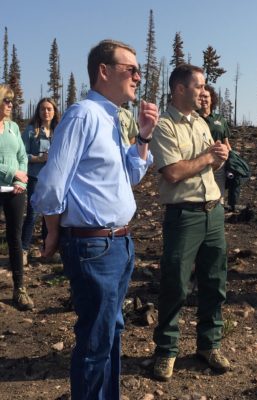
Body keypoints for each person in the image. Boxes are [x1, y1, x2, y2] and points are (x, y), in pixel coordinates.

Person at [31, 39, 158, 399]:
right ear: (104, 71)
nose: (137, 76)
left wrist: (144, 136)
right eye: (130, 69)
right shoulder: (83, 114)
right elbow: (52, 184)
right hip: (93, 245)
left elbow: (129, 176)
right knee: (95, 340)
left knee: (110, 333)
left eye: (139, 70)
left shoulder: (112, 117)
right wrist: (53, 231)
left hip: (118, 244)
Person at [150, 64, 230, 381]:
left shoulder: (201, 123)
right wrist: (208, 159)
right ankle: (166, 351)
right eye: (198, 86)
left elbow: (206, 162)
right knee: (175, 284)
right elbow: (172, 172)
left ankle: (209, 345)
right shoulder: (164, 126)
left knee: (215, 282)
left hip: (213, 212)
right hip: (184, 216)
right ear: (180, 88)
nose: (203, 92)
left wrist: (219, 155)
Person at [0, 84, 34, 310]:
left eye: (12, 101)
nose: (11, 105)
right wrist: (13, 173)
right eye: (6, 100)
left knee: (15, 237)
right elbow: (16, 166)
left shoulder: (13, 127)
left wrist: (20, 180)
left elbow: (22, 156)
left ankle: (19, 289)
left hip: (15, 191)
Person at [21, 98, 60, 264]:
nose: (46, 112)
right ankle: (23, 249)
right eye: (43, 109)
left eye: (49, 109)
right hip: (36, 178)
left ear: (54, 111)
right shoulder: (31, 131)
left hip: (54, 179)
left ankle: (48, 249)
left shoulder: (59, 131)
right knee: (32, 213)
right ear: (38, 111)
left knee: (50, 214)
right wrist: (38, 158)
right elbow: (21, 155)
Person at [198, 84, 231, 206]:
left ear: (212, 99)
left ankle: (218, 215)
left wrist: (230, 160)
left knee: (219, 194)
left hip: (220, 163)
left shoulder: (220, 119)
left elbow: (226, 143)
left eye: (206, 96)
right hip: (200, 162)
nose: (203, 100)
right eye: (200, 97)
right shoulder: (193, 118)